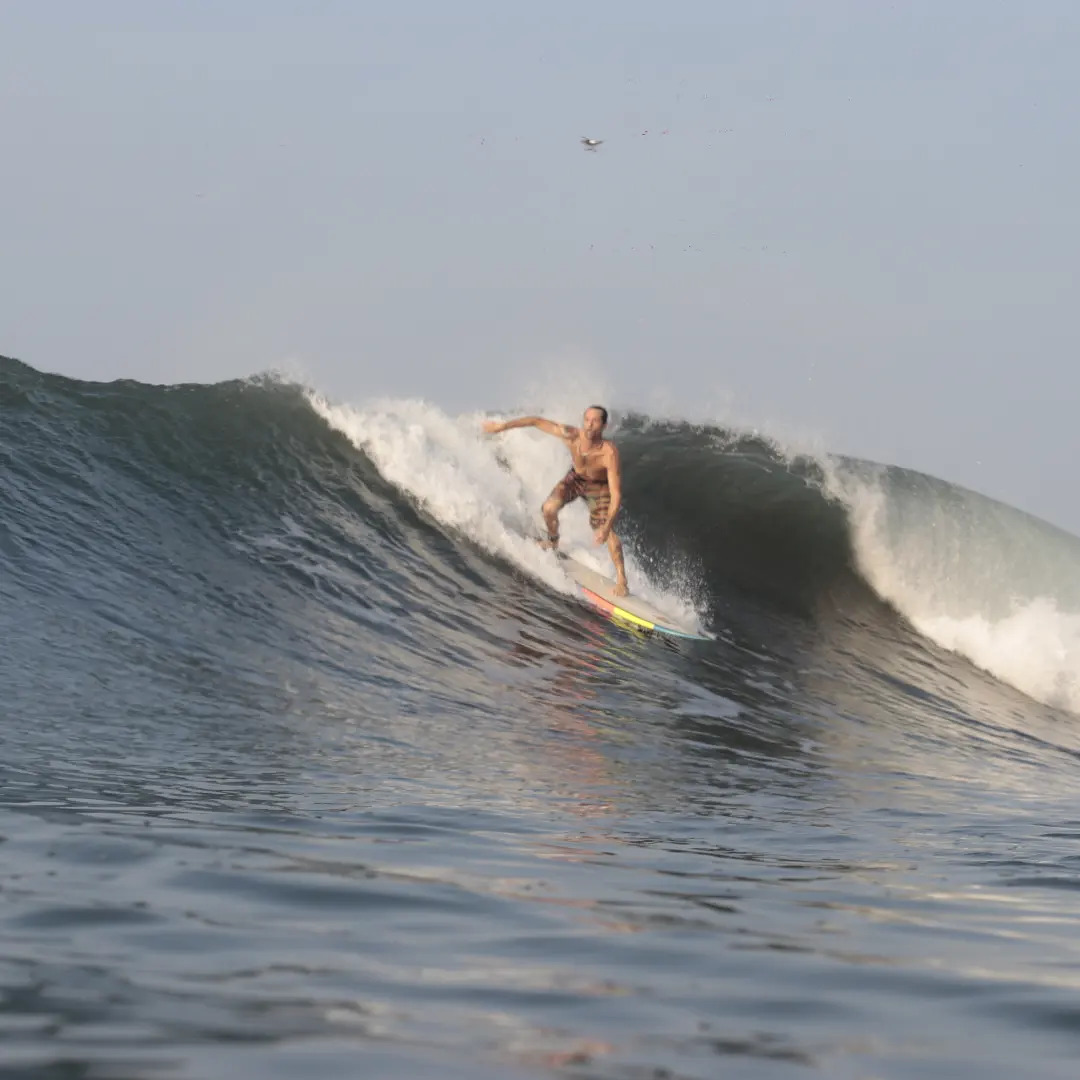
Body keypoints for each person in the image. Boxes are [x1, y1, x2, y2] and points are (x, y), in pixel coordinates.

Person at [483, 405, 628, 596]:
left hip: (597, 487)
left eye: (594, 421)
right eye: (587, 419)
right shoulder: (572, 435)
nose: (589, 424)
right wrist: (502, 427)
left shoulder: (609, 453)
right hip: (575, 479)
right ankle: (553, 541)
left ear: (604, 425)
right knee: (548, 509)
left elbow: (616, 493)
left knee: (606, 531)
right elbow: (536, 421)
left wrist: (607, 525)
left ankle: (622, 580)